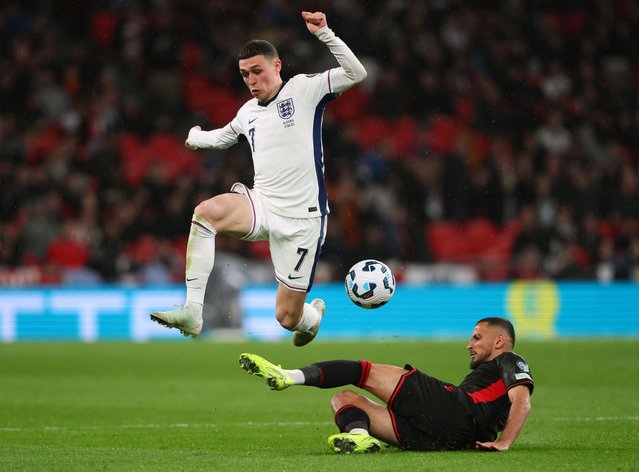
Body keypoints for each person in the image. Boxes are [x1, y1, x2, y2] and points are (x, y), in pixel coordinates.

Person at [150, 11, 367, 343]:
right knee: (205, 214)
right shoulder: (247, 112)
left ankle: (312, 318)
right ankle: (193, 311)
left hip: (302, 220)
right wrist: (196, 137)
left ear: (276, 66)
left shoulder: (304, 90)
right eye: (244, 74)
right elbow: (223, 136)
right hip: (263, 203)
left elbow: (356, 72)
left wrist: (325, 33)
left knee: (286, 317)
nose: (251, 80)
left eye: (257, 71)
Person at [240, 317, 533, 453]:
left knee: (362, 371)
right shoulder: (488, 374)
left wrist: (505, 442)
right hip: (448, 440)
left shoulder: (510, 360)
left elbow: (522, 400)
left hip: (457, 410)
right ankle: (360, 437)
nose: (470, 345)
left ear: (499, 341)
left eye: (477, 338)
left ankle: (287, 376)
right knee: (344, 398)